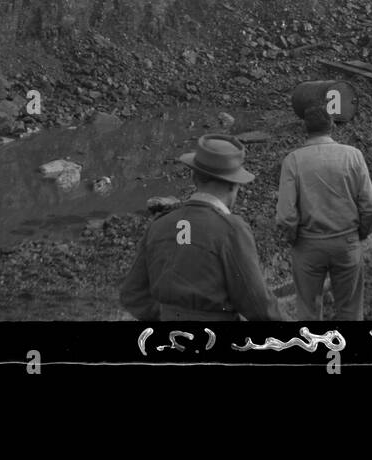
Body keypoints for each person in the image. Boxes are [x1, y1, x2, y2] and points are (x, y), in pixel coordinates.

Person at [120, 134, 283, 321]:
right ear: (234, 186)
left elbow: (132, 294)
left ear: (194, 178)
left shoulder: (159, 225)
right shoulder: (231, 230)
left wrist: (168, 316)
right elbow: (259, 305)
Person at [276, 105, 372, 320]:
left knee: (308, 310)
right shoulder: (353, 156)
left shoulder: (293, 160)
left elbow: (286, 215)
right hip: (347, 241)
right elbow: (369, 205)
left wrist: (294, 239)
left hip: (308, 244)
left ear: (305, 128)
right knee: (350, 309)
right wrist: (361, 234)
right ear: (332, 125)